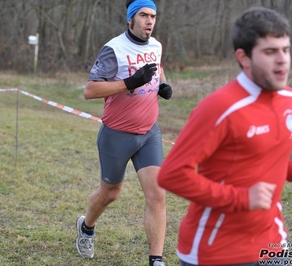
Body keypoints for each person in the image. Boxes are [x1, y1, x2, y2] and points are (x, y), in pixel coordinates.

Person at [157, 7, 292, 266]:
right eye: (270, 51)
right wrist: (242, 198)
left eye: (285, 50)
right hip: (217, 251)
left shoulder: (287, 97)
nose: (283, 59)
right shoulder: (220, 107)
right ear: (243, 57)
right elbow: (171, 175)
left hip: (272, 241)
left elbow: (257, 155)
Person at [76, 1, 171, 265]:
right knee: (111, 193)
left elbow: (158, 68)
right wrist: (129, 83)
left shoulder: (156, 45)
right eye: (143, 15)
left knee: (157, 194)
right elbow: (90, 90)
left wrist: (163, 85)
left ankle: (156, 259)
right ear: (130, 18)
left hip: (149, 133)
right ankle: (86, 227)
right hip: (117, 135)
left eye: (153, 16)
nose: (149, 21)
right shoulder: (114, 49)